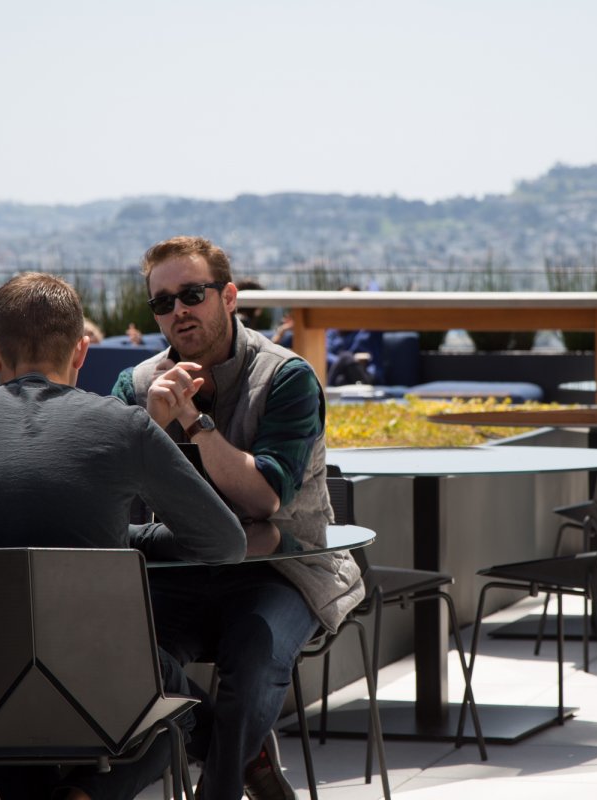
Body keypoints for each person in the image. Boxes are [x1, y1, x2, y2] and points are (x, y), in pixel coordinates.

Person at [0, 272, 247, 800]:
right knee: (185, 713)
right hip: (102, 687)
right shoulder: (122, 427)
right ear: (83, 352)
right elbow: (225, 542)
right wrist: (132, 540)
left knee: (11, 699)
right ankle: (85, 795)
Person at [111, 236, 363, 800]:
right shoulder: (136, 388)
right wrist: (151, 427)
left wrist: (196, 424)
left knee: (250, 671)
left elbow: (263, 500)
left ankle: (220, 787)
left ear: (228, 297)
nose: (178, 311)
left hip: (282, 570)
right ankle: (244, 757)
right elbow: (114, 506)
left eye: (192, 294)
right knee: (120, 654)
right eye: (163, 302)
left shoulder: (286, 377)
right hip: (179, 571)